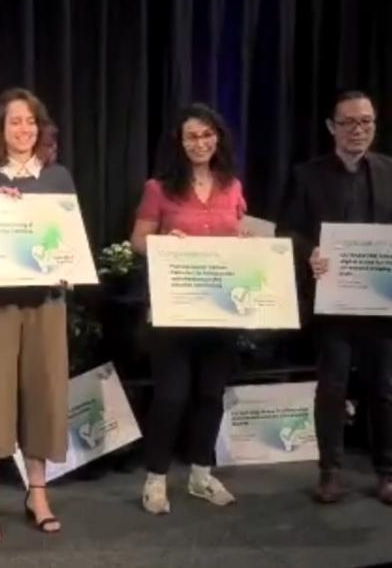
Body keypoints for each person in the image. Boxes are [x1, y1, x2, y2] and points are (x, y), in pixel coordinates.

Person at [276, 90, 392, 506]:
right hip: (332, 302)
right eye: (349, 122)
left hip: (382, 303)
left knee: (384, 388)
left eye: (366, 122)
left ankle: (388, 473)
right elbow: (287, 230)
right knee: (332, 387)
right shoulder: (307, 175)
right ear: (331, 127)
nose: (359, 130)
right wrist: (311, 253)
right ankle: (330, 472)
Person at [0, 88, 74, 542]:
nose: (24, 129)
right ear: (0, 129)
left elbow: (70, 239)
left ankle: (37, 494)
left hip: (46, 302)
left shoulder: (58, 177)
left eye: (31, 121)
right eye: (15, 121)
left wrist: (68, 267)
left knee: (44, 394)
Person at [130, 103, 246, 515]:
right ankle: (155, 479)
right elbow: (137, 240)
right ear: (179, 143)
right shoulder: (159, 188)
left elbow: (241, 234)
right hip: (174, 309)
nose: (200, 143)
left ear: (218, 138)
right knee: (172, 396)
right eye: (192, 136)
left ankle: (201, 474)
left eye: (207, 134)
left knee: (211, 395)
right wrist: (165, 243)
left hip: (221, 309)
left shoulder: (232, 185)